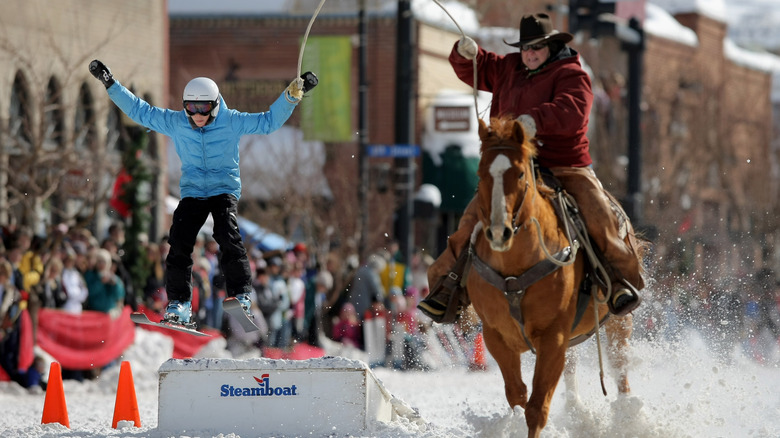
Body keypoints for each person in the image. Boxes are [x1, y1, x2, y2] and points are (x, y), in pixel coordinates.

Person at [417, 13, 644, 323]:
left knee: (597, 214)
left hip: (565, 165)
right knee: (472, 220)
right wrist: (463, 53)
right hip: (515, 167)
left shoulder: (572, 74)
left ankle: (620, 281)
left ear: (550, 46)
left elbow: (573, 111)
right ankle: (447, 287)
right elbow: (479, 66)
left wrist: (535, 120)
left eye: (537, 47)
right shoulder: (508, 68)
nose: (530, 53)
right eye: (525, 48)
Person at [88, 59, 317, 328]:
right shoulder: (177, 122)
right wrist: (110, 85)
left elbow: (268, 122)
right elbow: (141, 112)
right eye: (191, 108)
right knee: (179, 244)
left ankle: (242, 295)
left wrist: (291, 96)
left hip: (223, 190)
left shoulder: (231, 121)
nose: (197, 114)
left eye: (203, 108)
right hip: (193, 192)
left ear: (216, 105)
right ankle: (179, 304)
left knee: (227, 236)